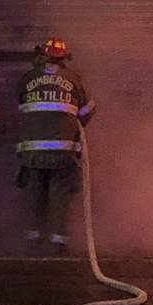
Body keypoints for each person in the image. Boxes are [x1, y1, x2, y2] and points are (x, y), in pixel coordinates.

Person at [15, 37, 95, 251]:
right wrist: (74, 124)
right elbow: (88, 110)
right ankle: (58, 243)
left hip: (32, 153)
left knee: (34, 196)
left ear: (42, 55)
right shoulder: (74, 79)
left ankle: (32, 241)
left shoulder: (28, 78)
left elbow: (21, 106)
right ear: (64, 58)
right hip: (63, 152)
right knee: (60, 197)